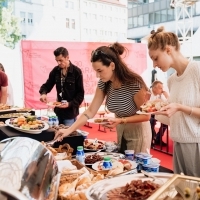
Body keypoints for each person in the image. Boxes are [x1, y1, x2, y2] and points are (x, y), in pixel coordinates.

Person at [55, 42, 152, 154]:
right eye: (96, 71)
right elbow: (90, 111)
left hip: (138, 134)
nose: (97, 75)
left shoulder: (134, 83)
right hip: (121, 132)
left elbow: (146, 115)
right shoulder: (104, 83)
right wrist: (69, 130)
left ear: (112, 66)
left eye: (100, 71)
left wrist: (121, 120)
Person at [148, 26, 200, 177]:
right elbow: (175, 116)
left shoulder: (196, 70)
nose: (154, 65)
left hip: (196, 144)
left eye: (155, 58)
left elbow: (180, 108)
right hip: (178, 143)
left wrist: (180, 107)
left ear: (168, 50)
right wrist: (155, 109)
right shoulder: (171, 80)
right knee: (182, 192)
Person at [39, 47, 84, 126]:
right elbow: (47, 85)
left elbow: (80, 94)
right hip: (58, 112)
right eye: (57, 61)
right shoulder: (55, 71)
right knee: (56, 134)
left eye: (61, 60)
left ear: (67, 57)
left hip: (70, 113)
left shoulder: (77, 72)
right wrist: (43, 93)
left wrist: (69, 104)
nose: (58, 63)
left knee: (68, 136)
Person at [150, 80, 169, 146]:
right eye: (160, 88)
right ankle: (151, 139)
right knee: (151, 121)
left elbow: (167, 103)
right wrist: (153, 102)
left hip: (158, 113)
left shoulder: (160, 95)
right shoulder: (148, 93)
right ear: (154, 88)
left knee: (165, 122)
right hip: (149, 114)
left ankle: (158, 138)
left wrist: (166, 96)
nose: (162, 90)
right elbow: (145, 105)